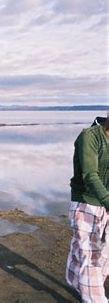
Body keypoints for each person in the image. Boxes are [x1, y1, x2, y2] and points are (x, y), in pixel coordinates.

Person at [66, 112, 109, 303]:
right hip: (85, 202)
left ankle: (77, 280)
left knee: (105, 254)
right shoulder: (90, 137)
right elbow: (90, 176)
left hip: (106, 203)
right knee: (89, 255)